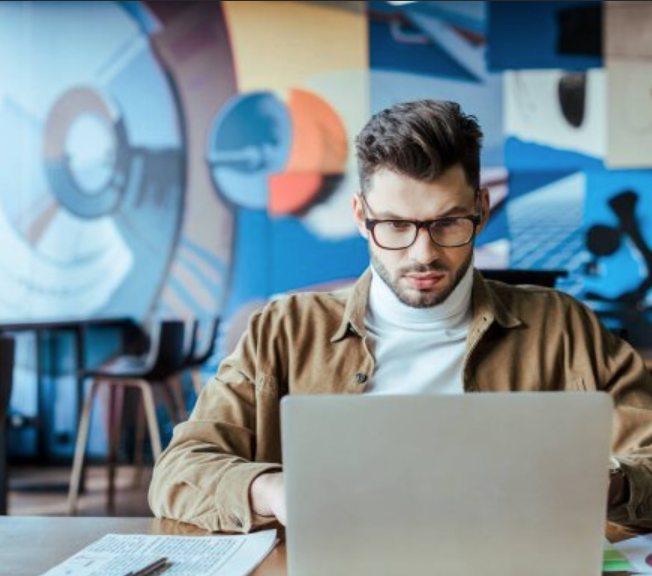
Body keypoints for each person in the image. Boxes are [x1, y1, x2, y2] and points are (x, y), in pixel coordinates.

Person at [148, 100, 652, 533]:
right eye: (394, 225)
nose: (423, 253)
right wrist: (275, 491)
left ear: (480, 206)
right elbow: (179, 471)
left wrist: (606, 484)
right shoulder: (282, 330)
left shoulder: (562, 327)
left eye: (448, 222)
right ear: (361, 217)